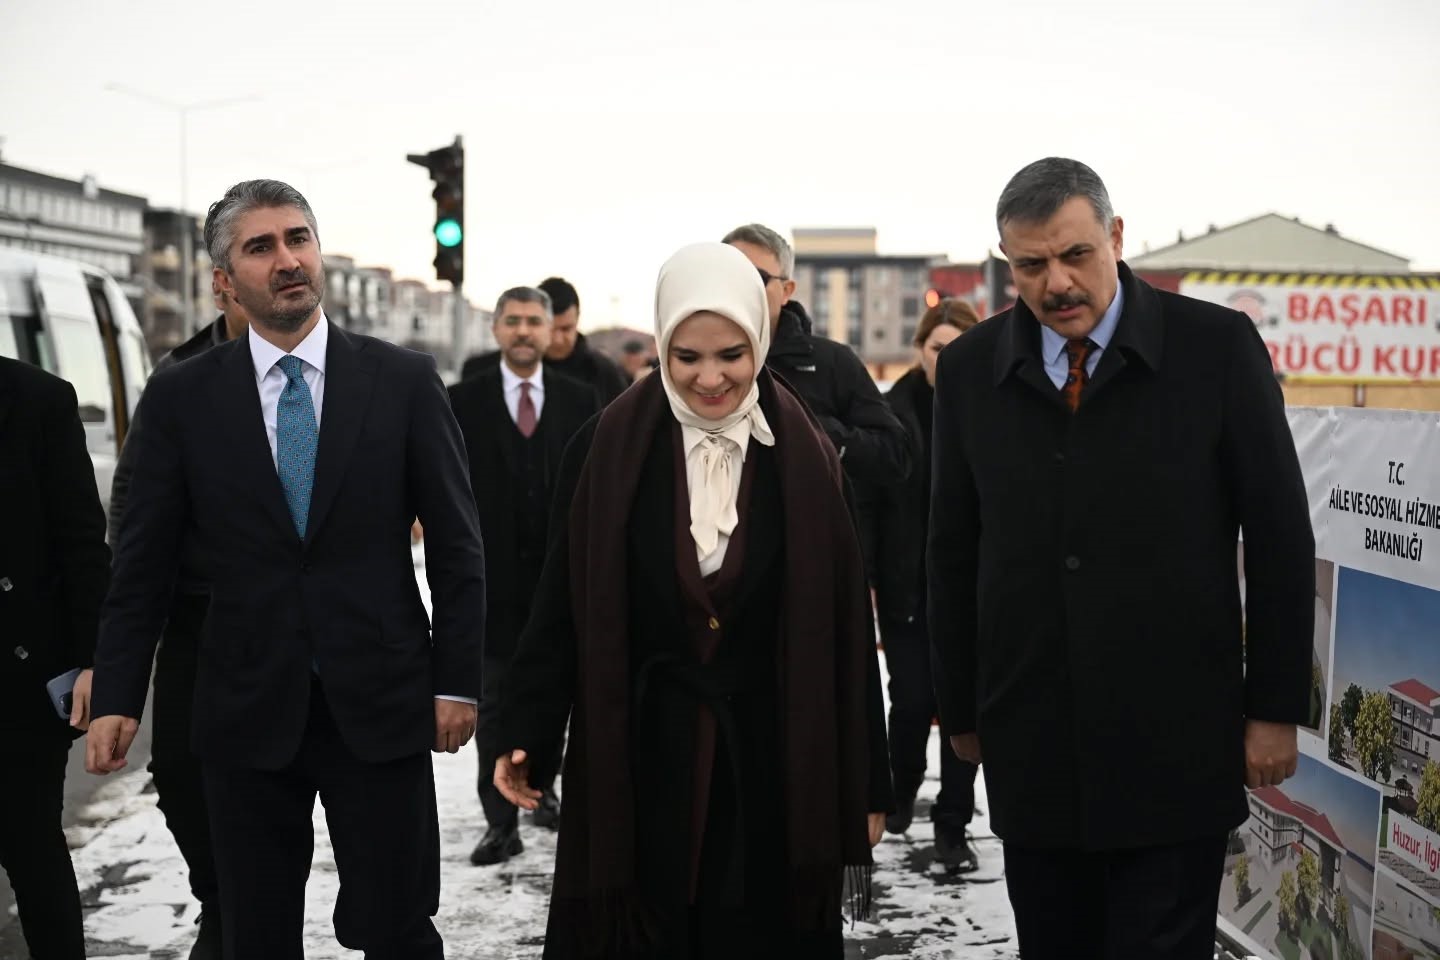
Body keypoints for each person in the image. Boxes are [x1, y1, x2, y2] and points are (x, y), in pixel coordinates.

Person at [87, 179, 486, 960]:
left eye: (299, 238)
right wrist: (119, 691)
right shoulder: (180, 397)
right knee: (253, 932)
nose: (288, 259)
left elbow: (458, 543)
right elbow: (143, 564)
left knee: (399, 927)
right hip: (243, 707)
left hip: (380, 701)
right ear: (224, 281)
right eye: (260, 247)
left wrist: (457, 679)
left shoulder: (402, 381)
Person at [927, 158, 1315, 959]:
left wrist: (1274, 707)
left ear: (1115, 235)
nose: (1056, 283)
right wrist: (960, 707)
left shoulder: (1216, 348)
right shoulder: (971, 370)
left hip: (1176, 737)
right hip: (1034, 738)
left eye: (1075, 255)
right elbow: (952, 547)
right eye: (1030, 266)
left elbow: (1279, 535)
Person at [494, 242, 892, 959]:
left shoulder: (806, 455)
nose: (711, 379)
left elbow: (844, 629)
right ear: (663, 346)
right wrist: (527, 726)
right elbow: (561, 603)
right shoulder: (605, 444)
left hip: (771, 760)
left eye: (731, 355)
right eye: (687, 358)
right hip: (641, 759)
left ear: (759, 341)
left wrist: (865, 782)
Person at [105, 277, 250, 958]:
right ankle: (218, 897)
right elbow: (132, 491)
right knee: (179, 772)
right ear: (223, 286)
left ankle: (248, 908)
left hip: (292, 613)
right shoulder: (178, 376)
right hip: (197, 612)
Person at [448, 286, 598, 865]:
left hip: (560, 583)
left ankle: (543, 785)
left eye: (534, 321)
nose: (524, 332)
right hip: (490, 585)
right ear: (496, 329)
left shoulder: (582, 399)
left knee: (555, 693)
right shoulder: (463, 400)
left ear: (550, 327)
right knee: (495, 705)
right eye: (512, 321)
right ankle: (499, 822)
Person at [0, 356, 110, 960]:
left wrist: (95, 663)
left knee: (32, 848)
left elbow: (80, 544)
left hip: (17, 677)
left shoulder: (38, 400)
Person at [873, 298, 981, 870]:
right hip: (906, 586)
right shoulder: (890, 411)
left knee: (964, 707)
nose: (948, 359)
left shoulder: (991, 408)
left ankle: (952, 825)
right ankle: (902, 784)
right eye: (939, 347)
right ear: (920, 350)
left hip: (973, 590)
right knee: (912, 698)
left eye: (960, 348)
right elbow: (868, 501)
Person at [721, 224, 910, 492]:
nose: (739, 288)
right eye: (728, 276)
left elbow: (895, 456)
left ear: (787, 290)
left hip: (803, 527)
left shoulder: (832, 362)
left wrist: (822, 435)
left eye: (755, 277)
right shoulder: (680, 364)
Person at [460, 277, 629, 406]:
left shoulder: (603, 373)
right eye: (551, 328)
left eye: (566, 329)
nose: (556, 339)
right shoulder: (482, 371)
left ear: (578, 320)